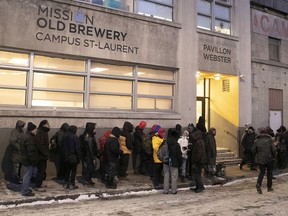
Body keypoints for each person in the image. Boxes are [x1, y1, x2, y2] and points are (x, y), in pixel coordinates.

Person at [252, 128, 276, 194]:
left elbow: (253, 150)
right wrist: (274, 156)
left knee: (262, 172)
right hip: (269, 158)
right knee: (269, 173)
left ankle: (258, 184)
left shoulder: (256, 140)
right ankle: (269, 187)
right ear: (266, 133)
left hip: (260, 159)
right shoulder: (269, 140)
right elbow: (273, 149)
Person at [1, 120, 26, 185]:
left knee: (19, 167)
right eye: (21, 126)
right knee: (16, 168)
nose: (22, 127)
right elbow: (12, 141)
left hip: (21, 154)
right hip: (16, 154)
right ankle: (15, 180)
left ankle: (18, 178)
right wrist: (18, 147)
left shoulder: (22, 132)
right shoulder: (14, 132)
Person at [21, 122, 38, 196]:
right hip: (29, 160)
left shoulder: (27, 136)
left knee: (28, 174)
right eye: (35, 130)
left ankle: (26, 188)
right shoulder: (29, 138)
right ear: (32, 130)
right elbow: (31, 151)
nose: (36, 131)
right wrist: (34, 160)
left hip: (26, 159)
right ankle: (25, 191)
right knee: (27, 175)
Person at [163, 128, 182, 194]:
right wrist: (181, 162)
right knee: (174, 176)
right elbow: (179, 155)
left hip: (165, 160)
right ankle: (173, 190)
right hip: (174, 161)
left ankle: (166, 190)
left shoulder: (165, 142)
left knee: (166, 175)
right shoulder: (176, 144)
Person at [62, 125, 81, 190]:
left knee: (67, 170)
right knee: (73, 171)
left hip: (66, 156)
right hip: (73, 156)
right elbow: (77, 148)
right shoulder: (75, 137)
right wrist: (79, 157)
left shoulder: (64, 136)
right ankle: (72, 184)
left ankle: (66, 183)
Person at [34, 119, 50, 190]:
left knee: (42, 170)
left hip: (43, 155)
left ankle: (40, 183)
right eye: (47, 124)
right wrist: (45, 153)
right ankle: (37, 185)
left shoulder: (44, 132)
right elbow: (40, 145)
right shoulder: (40, 132)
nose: (49, 125)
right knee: (41, 170)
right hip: (40, 156)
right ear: (43, 125)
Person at [190, 128, 206, 193]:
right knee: (197, 174)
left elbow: (199, 153)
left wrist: (195, 161)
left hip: (198, 161)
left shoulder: (198, 142)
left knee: (196, 174)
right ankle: (198, 186)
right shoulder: (200, 141)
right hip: (200, 161)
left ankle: (200, 186)